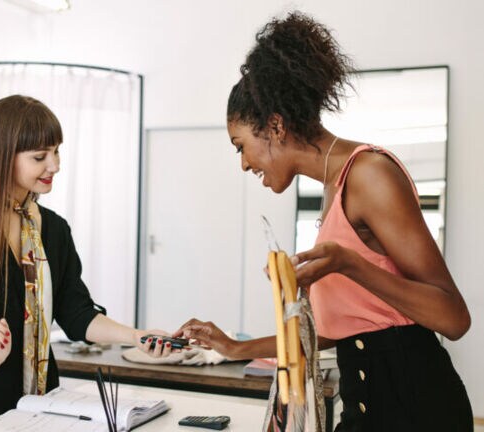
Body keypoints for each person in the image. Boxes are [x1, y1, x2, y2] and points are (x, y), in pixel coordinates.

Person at [174, 11, 472, 432]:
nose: (243, 164)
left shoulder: (369, 174)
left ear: (275, 126)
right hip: (365, 404)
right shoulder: (333, 190)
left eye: (241, 146)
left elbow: (454, 317)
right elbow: (335, 332)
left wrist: (349, 264)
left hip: (416, 407)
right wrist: (234, 347)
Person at [0, 95, 171, 424]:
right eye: (40, 156)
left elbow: (77, 314)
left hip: (39, 406)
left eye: (56, 152)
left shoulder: (54, 229)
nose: (54, 165)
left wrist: (137, 337)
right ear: (2, 157)